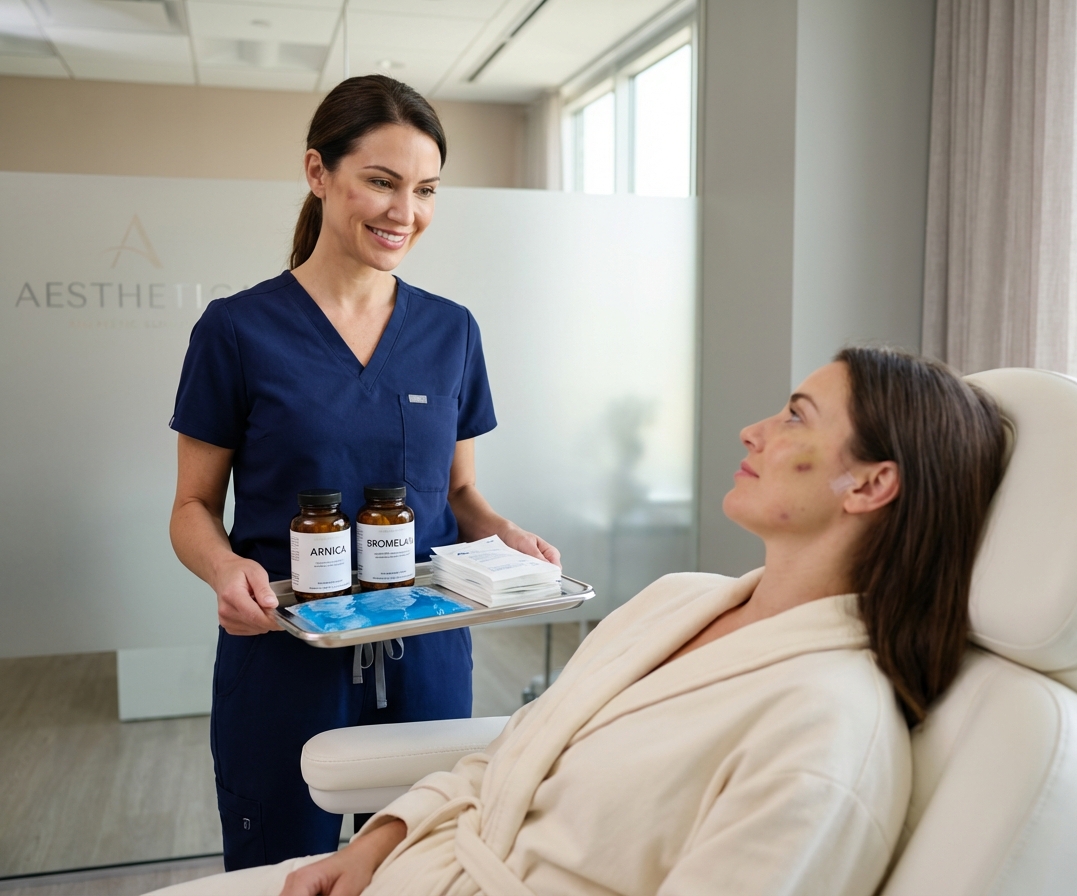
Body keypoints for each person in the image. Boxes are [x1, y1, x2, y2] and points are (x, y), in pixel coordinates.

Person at [155, 347, 1007, 896]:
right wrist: (377, 840)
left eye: (795, 416)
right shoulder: (681, 600)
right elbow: (520, 747)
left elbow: (458, 493)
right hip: (407, 865)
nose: (754, 429)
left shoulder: (825, 736)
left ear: (869, 486)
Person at [168, 75, 559, 872]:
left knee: (421, 868)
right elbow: (191, 506)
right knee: (284, 869)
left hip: (427, 655)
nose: (403, 212)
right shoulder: (238, 330)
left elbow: (457, 493)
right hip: (286, 659)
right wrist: (225, 567)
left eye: (424, 189)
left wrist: (505, 534)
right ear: (319, 174)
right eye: (380, 182)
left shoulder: (450, 331)